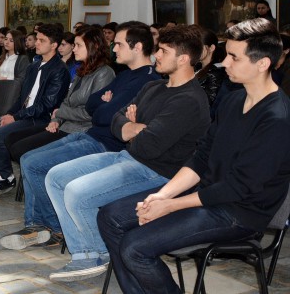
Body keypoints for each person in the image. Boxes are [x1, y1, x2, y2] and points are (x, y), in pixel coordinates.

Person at [98, 18, 290, 294]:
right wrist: (164, 195)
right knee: (110, 216)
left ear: (262, 64)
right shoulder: (234, 100)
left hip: (239, 213)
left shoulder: (278, 118)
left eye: (234, 58)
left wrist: (172, 205)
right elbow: (201, 157)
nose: (225, 64)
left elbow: (240, 187)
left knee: (135, 247)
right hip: (209, 197)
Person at [43, 25, 211, 282]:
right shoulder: (154, 88)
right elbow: (116, 120)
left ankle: (93, 254)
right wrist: (133, 127)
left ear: (184, 59)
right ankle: (87, 252)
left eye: (163, 51)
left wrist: (132, 128)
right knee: (54, 177)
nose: (156, 56)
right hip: (129, 157)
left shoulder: (189, 99)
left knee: (77, 192)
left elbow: (150, 145)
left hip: (157, 172)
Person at [0, 22, 159, 251]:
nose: (114, 49)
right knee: (28, 159)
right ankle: (39, 226)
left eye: (119, 44)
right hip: (88, 134)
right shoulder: (124, 75)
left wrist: (105, 103)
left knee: (34, 164)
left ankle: (49, 229)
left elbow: (104, 114)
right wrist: (103, 104)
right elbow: (95, 104)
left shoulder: (144, 80)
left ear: (137, 47)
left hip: (104, 143)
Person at [0, 26, 115, 199]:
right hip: (62, 124)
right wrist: (57, 119)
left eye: (77, 45)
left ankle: (36, 191)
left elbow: (84, 112)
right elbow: (63, 102)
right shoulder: (81, 71)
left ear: (93, 47)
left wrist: (58, 114)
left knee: (21, 151)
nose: (72, 48)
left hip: (77, 130)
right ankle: (4, 177)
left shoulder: (101, 73)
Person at [0, 23, 70, 196]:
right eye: (37, 39)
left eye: (42, 40)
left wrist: (16, 117)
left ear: (54, 45)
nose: (36, 43)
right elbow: (21, 97)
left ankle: (6, 178)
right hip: (24, 114)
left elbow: (46, 106)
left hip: (40, 119)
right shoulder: (33, 66)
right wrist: (10, 114)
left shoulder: (59, 70)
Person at [195, 26, 228, 107]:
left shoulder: (216, 73)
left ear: (211, 48)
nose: (193, 50)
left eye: (198, 47)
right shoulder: (197, 66)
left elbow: (207, 103)